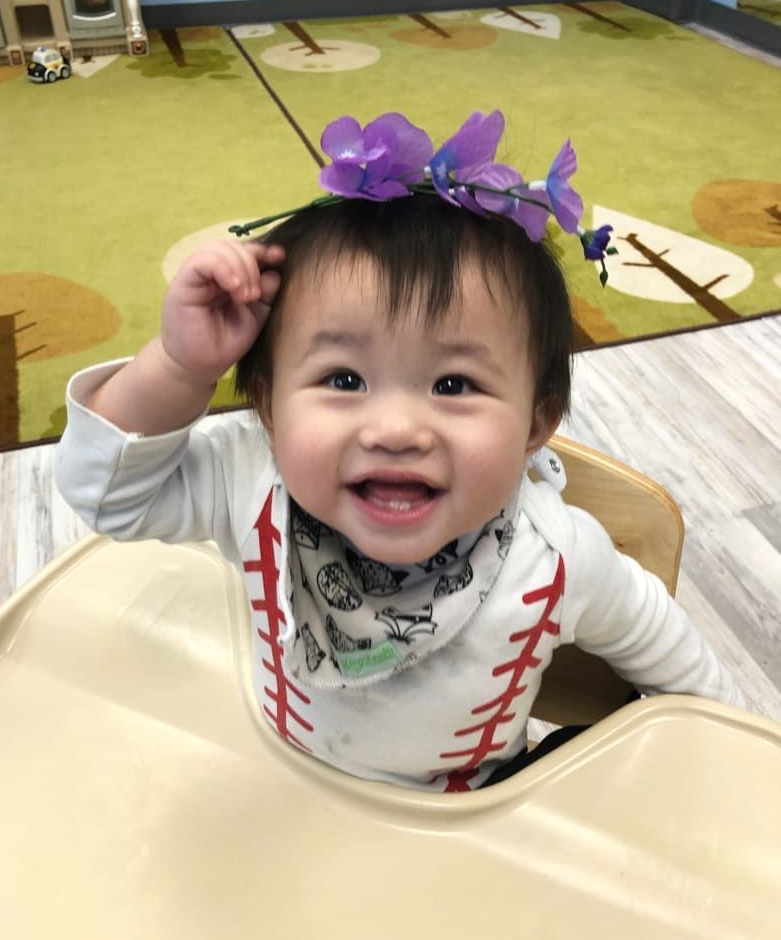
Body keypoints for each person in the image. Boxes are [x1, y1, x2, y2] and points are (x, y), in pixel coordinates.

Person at [55, 110, 744, 792]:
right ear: (266, 405)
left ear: (537, 424)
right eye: (343, 379)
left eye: (453, 383)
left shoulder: (558, 555)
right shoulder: (250, 478)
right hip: (281, 787)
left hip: (465, 829)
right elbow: (107, 496)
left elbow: (672, 656)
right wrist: (180, 368)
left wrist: (742, 768)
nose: (396, 429)